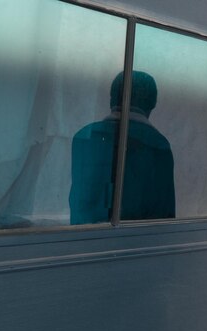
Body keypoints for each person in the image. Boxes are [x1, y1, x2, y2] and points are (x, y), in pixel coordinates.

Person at [69, 71, 175, 224]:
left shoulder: (84, 137)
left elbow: (79, 204)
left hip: (84, 241)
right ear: (152, 105)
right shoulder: (158, 146)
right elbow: (164, 215)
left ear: (112, 100)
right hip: (135, 243)